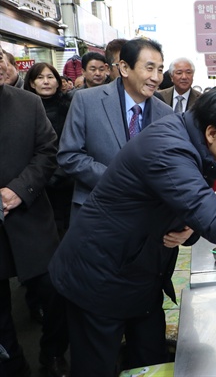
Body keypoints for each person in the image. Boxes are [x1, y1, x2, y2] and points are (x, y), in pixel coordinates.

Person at [48, 83, 216, 375]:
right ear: (212, 133)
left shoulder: (193, 140)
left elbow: (191, 205)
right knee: (97, 366)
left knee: (149, 362)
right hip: (99, 276)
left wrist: (189, 228)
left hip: (141, 272)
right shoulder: (168, 148)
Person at [0, 51, 70, 377]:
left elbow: (47, 150)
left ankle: (53, 353)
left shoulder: (27, 104)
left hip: (29, 216)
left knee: (55, 290)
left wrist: (20, 189)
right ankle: (13, 363)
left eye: (0, 56)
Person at [58, 38, 174, 224]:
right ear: (125, 68)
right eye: (149, 68)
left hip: (146, 219)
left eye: (160, 70)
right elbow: (69, 155)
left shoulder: (166, 113)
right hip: (96, 214)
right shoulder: (86, 101)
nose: (156, 77)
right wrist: (118, 180)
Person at [24, 63, 74, 239]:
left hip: (68, 179)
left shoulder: (71, 106)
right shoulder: (23, 108)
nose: (46, 82)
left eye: (50, 77)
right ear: (31, 83)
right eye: (40, 77)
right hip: (35, 182)